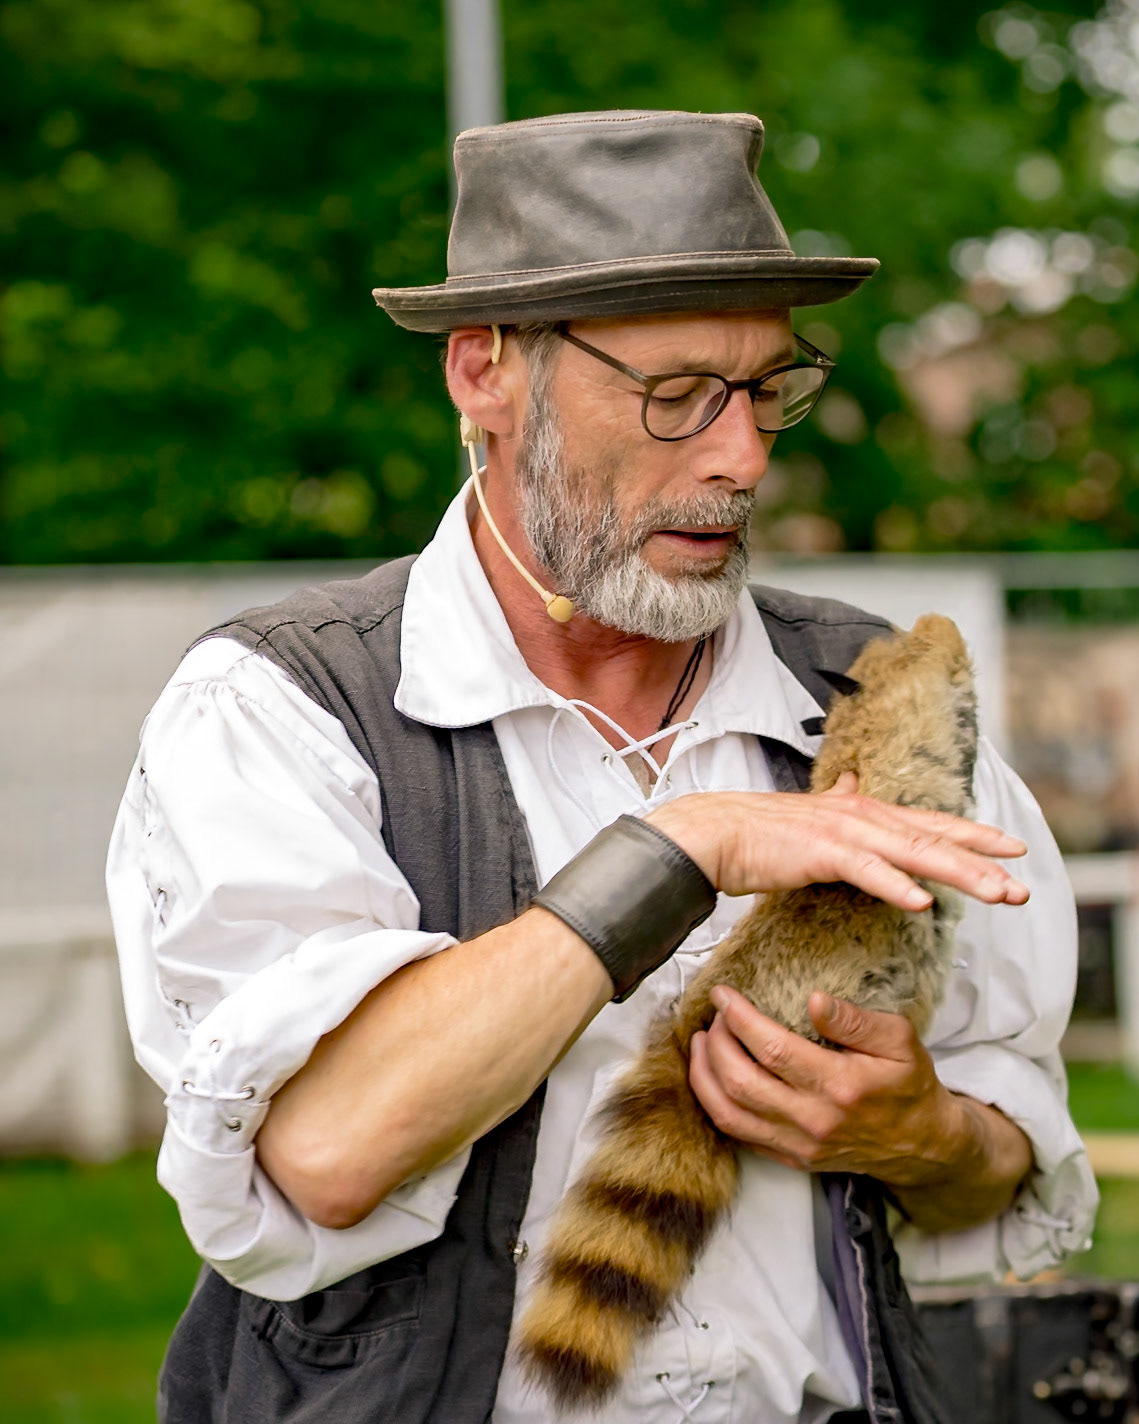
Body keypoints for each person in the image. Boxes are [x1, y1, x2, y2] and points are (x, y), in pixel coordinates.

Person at [107, 110, 1096, 1424]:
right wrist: (680, 848)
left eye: (769, 390)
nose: (743, 456)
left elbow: (1003, 1147)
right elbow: (330, 1149)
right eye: (675, 395)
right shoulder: (282, 705)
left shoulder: (877, 697)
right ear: (486, 374)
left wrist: (924, 1134)